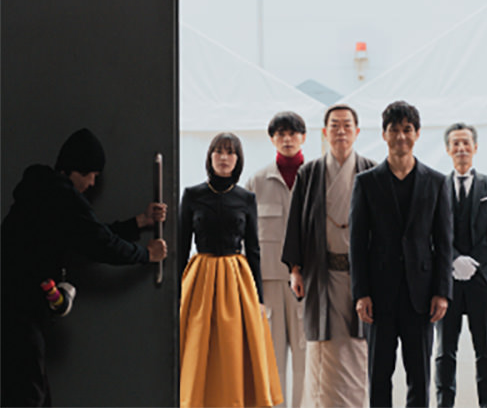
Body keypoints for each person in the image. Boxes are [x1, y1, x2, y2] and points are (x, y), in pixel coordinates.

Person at [0, 128, 168, 407]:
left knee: (31, 392)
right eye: (91, 175)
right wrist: (146, 254)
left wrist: (139, 222)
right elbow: (100, 243)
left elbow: (89, 234)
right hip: (18, 308)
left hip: (13, 303)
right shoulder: (61, 198)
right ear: (75, 169)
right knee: (29, 395)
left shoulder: (44, 190)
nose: (92, 183)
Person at [350, 101, 453, 407]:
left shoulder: (436, 182)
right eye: (394, 130)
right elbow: (357, 242)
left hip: (421, 296)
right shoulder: (366, 182)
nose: (401, 136)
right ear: (384, 134)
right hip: (379, 296)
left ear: (417, 134)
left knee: (419, 376)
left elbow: (444, 242)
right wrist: (361, 293)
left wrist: (442, 292)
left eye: (407, 129)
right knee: (379, 375)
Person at [281, 104, 376, 407]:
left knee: (357, 350)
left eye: (347, 125)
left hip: (360, 278)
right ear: (325, 132)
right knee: (322, 350)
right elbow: (296, 223)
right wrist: (295, 269)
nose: (341, 131)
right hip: (321, 275)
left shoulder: (371, 171)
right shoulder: (309, 173)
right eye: (334, 125)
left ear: (357, 131)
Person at [179, 132, 282, 408]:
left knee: (233, 345)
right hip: (200, 276)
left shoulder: (246, 198)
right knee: (198, 343)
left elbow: (254, 249)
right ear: (210, 156)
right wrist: (174, 291)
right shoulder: (192, 195)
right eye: (219, 151)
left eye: (230, 152)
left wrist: (259, 297)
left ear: (238, 160)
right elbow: (181, 246)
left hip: (237, 278)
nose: (224, 157)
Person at [244, 112, 307, 407]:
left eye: (293, 133)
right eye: (280, 134)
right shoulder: (256, 181)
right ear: (272, 139)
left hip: (307, 281)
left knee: (306, 356)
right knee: (272, 356)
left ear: (303, 137)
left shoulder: (315, 177)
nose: (287, 139)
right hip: (268, 282)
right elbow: (245, 236)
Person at [434, 123, 487, 408]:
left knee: (486, 350)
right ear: (448, 149)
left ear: (475, 147)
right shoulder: (437, 186)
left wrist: (476, 261)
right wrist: (453, 259)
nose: (461, 148)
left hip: (482, 279)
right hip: (445, 282)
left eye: (466, 143)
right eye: (455, 143)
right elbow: (431, 231)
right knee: (444, 351)